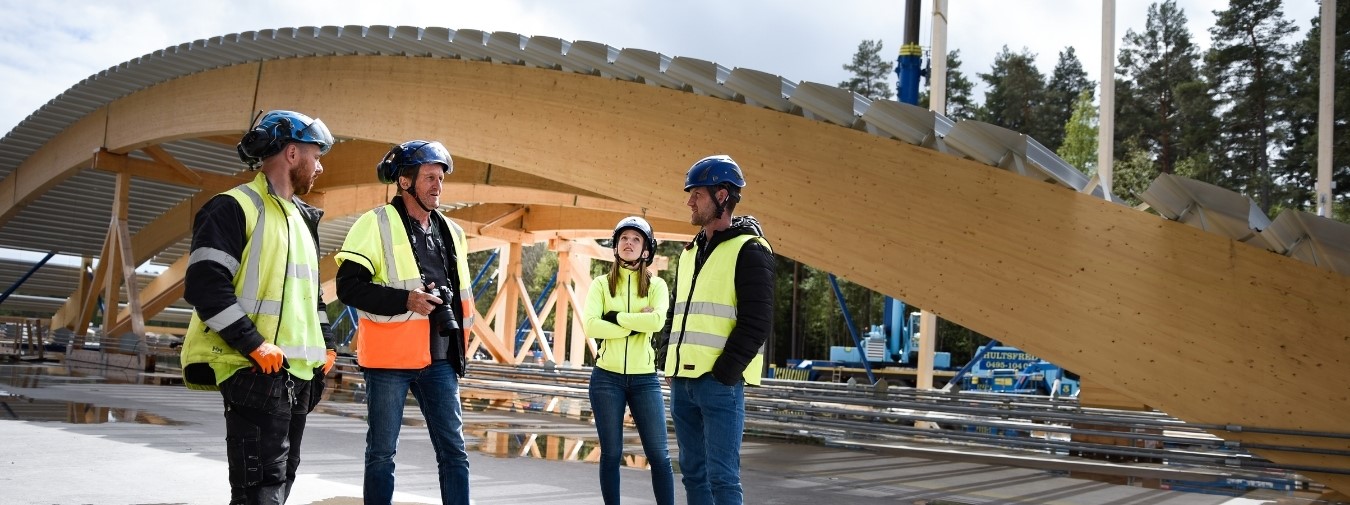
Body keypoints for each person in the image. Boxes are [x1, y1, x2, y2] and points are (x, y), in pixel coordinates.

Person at [180, 109, 339, 505]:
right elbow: (206, 285)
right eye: (315, 155)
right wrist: (252, 343)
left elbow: (311, 294)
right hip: (253, 369)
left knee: (282, 482)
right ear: (291, 153)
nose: (319, 166)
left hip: (298, 375)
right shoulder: (233, 207)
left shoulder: (302, 220)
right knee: (259, 492)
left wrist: (328, 344)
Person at [334, 140, 474, 505]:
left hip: (440, 357)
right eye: (429, 177)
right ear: (404, 181)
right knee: (381, 453)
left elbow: (461, 299)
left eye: (441, 178)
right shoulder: (375, 223)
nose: (437, 186)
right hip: (389, 360)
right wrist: (406, 300)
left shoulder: (453, 232)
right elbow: (348, 287)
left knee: (455, 452)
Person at [658, 154, 776, 505]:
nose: (689, 201)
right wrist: (667, 355)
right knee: (693, 473)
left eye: (696, 193)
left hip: (718, 384)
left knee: (722, 478)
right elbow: (676, 312)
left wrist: (724, 372)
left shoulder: (751, 249)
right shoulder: (689, 251)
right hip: (682, 381)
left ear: (722, 195)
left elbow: (758, 321)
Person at [583, 216, 675, 505]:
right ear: (615, 245)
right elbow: (590, 326)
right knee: (611, 453)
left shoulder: (657, 285)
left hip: (645, 379)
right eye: (624, 238)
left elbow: (658, 321)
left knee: (659, 455)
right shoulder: (600, 285)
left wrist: (615, 318)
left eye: (636, 239)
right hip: (606, 378)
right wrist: (638, 322)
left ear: (647, 250)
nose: (629, 243)